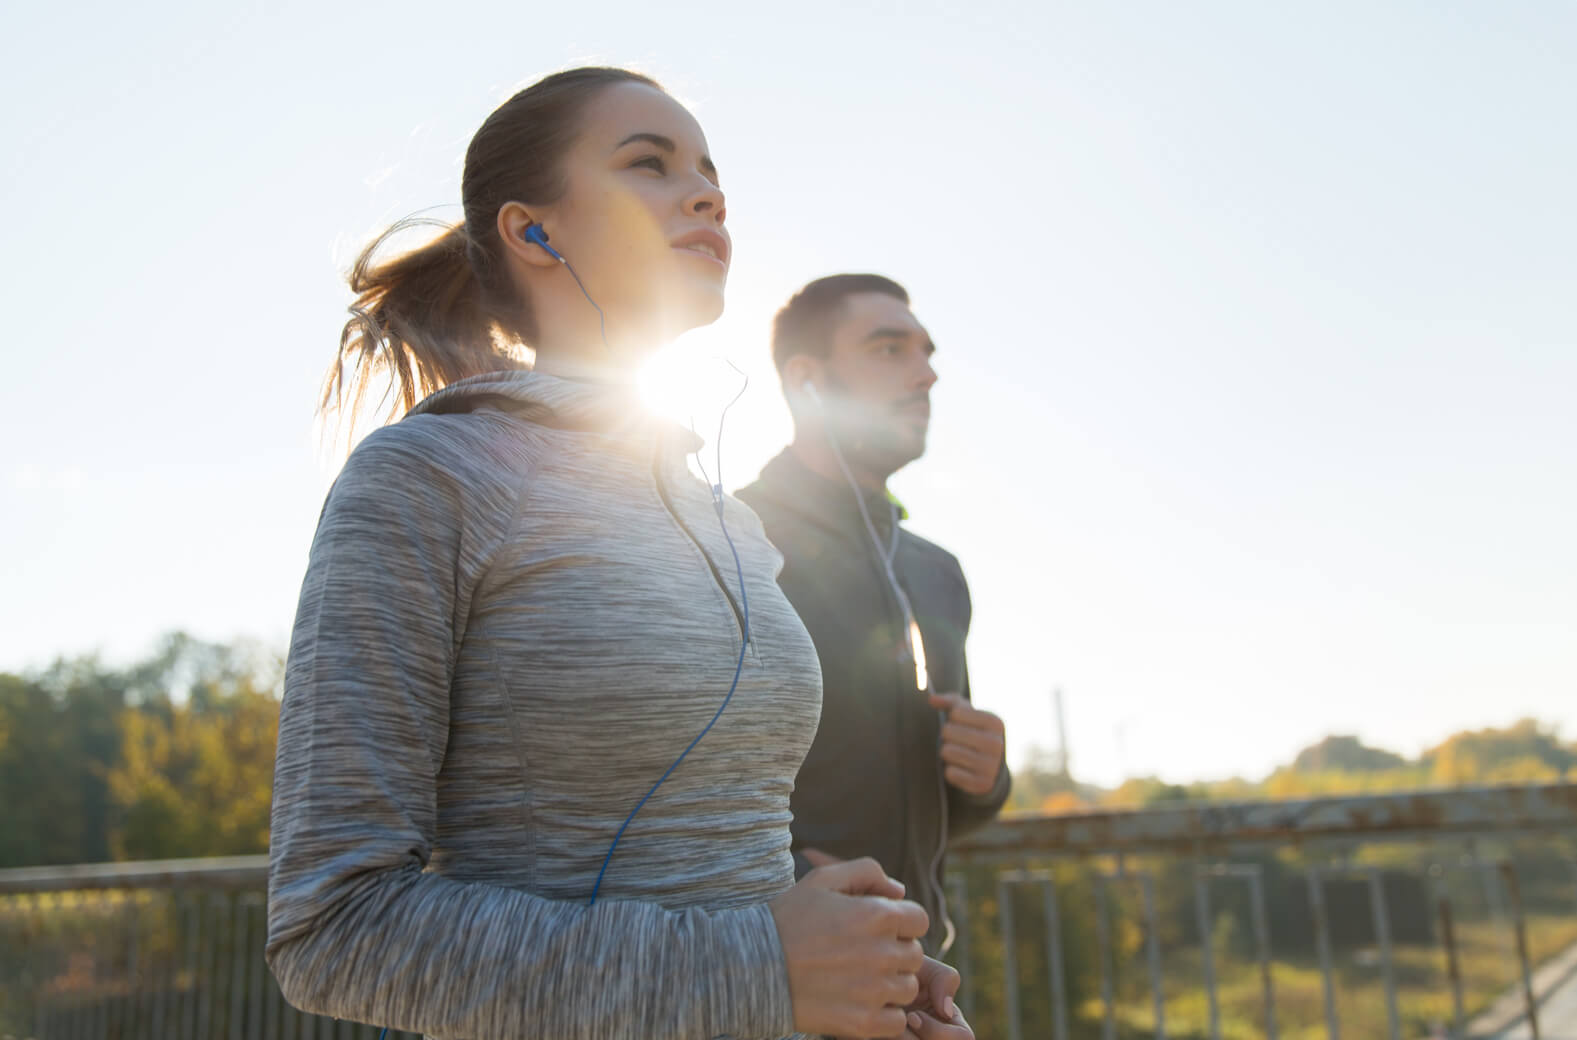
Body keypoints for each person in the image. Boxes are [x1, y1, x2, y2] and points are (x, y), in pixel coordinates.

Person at [265, 69, 972, 1040]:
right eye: (648, 163)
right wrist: (762, 965)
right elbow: (331, 927)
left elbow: (707, 856)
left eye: (710, 172)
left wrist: (863, 972)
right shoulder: (429, 473)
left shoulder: (728, 519)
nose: (707, 193)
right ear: (532, 230)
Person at [737, 275, 1011, 955]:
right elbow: (660, 783)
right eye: (889, 350)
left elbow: (924, 803)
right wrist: (793, 883)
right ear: (808, 380)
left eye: (925, 353)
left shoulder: (935, 572)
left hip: (919, 970)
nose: (926, 374)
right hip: (774, 979)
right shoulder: (727, 540)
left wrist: (985, 782)